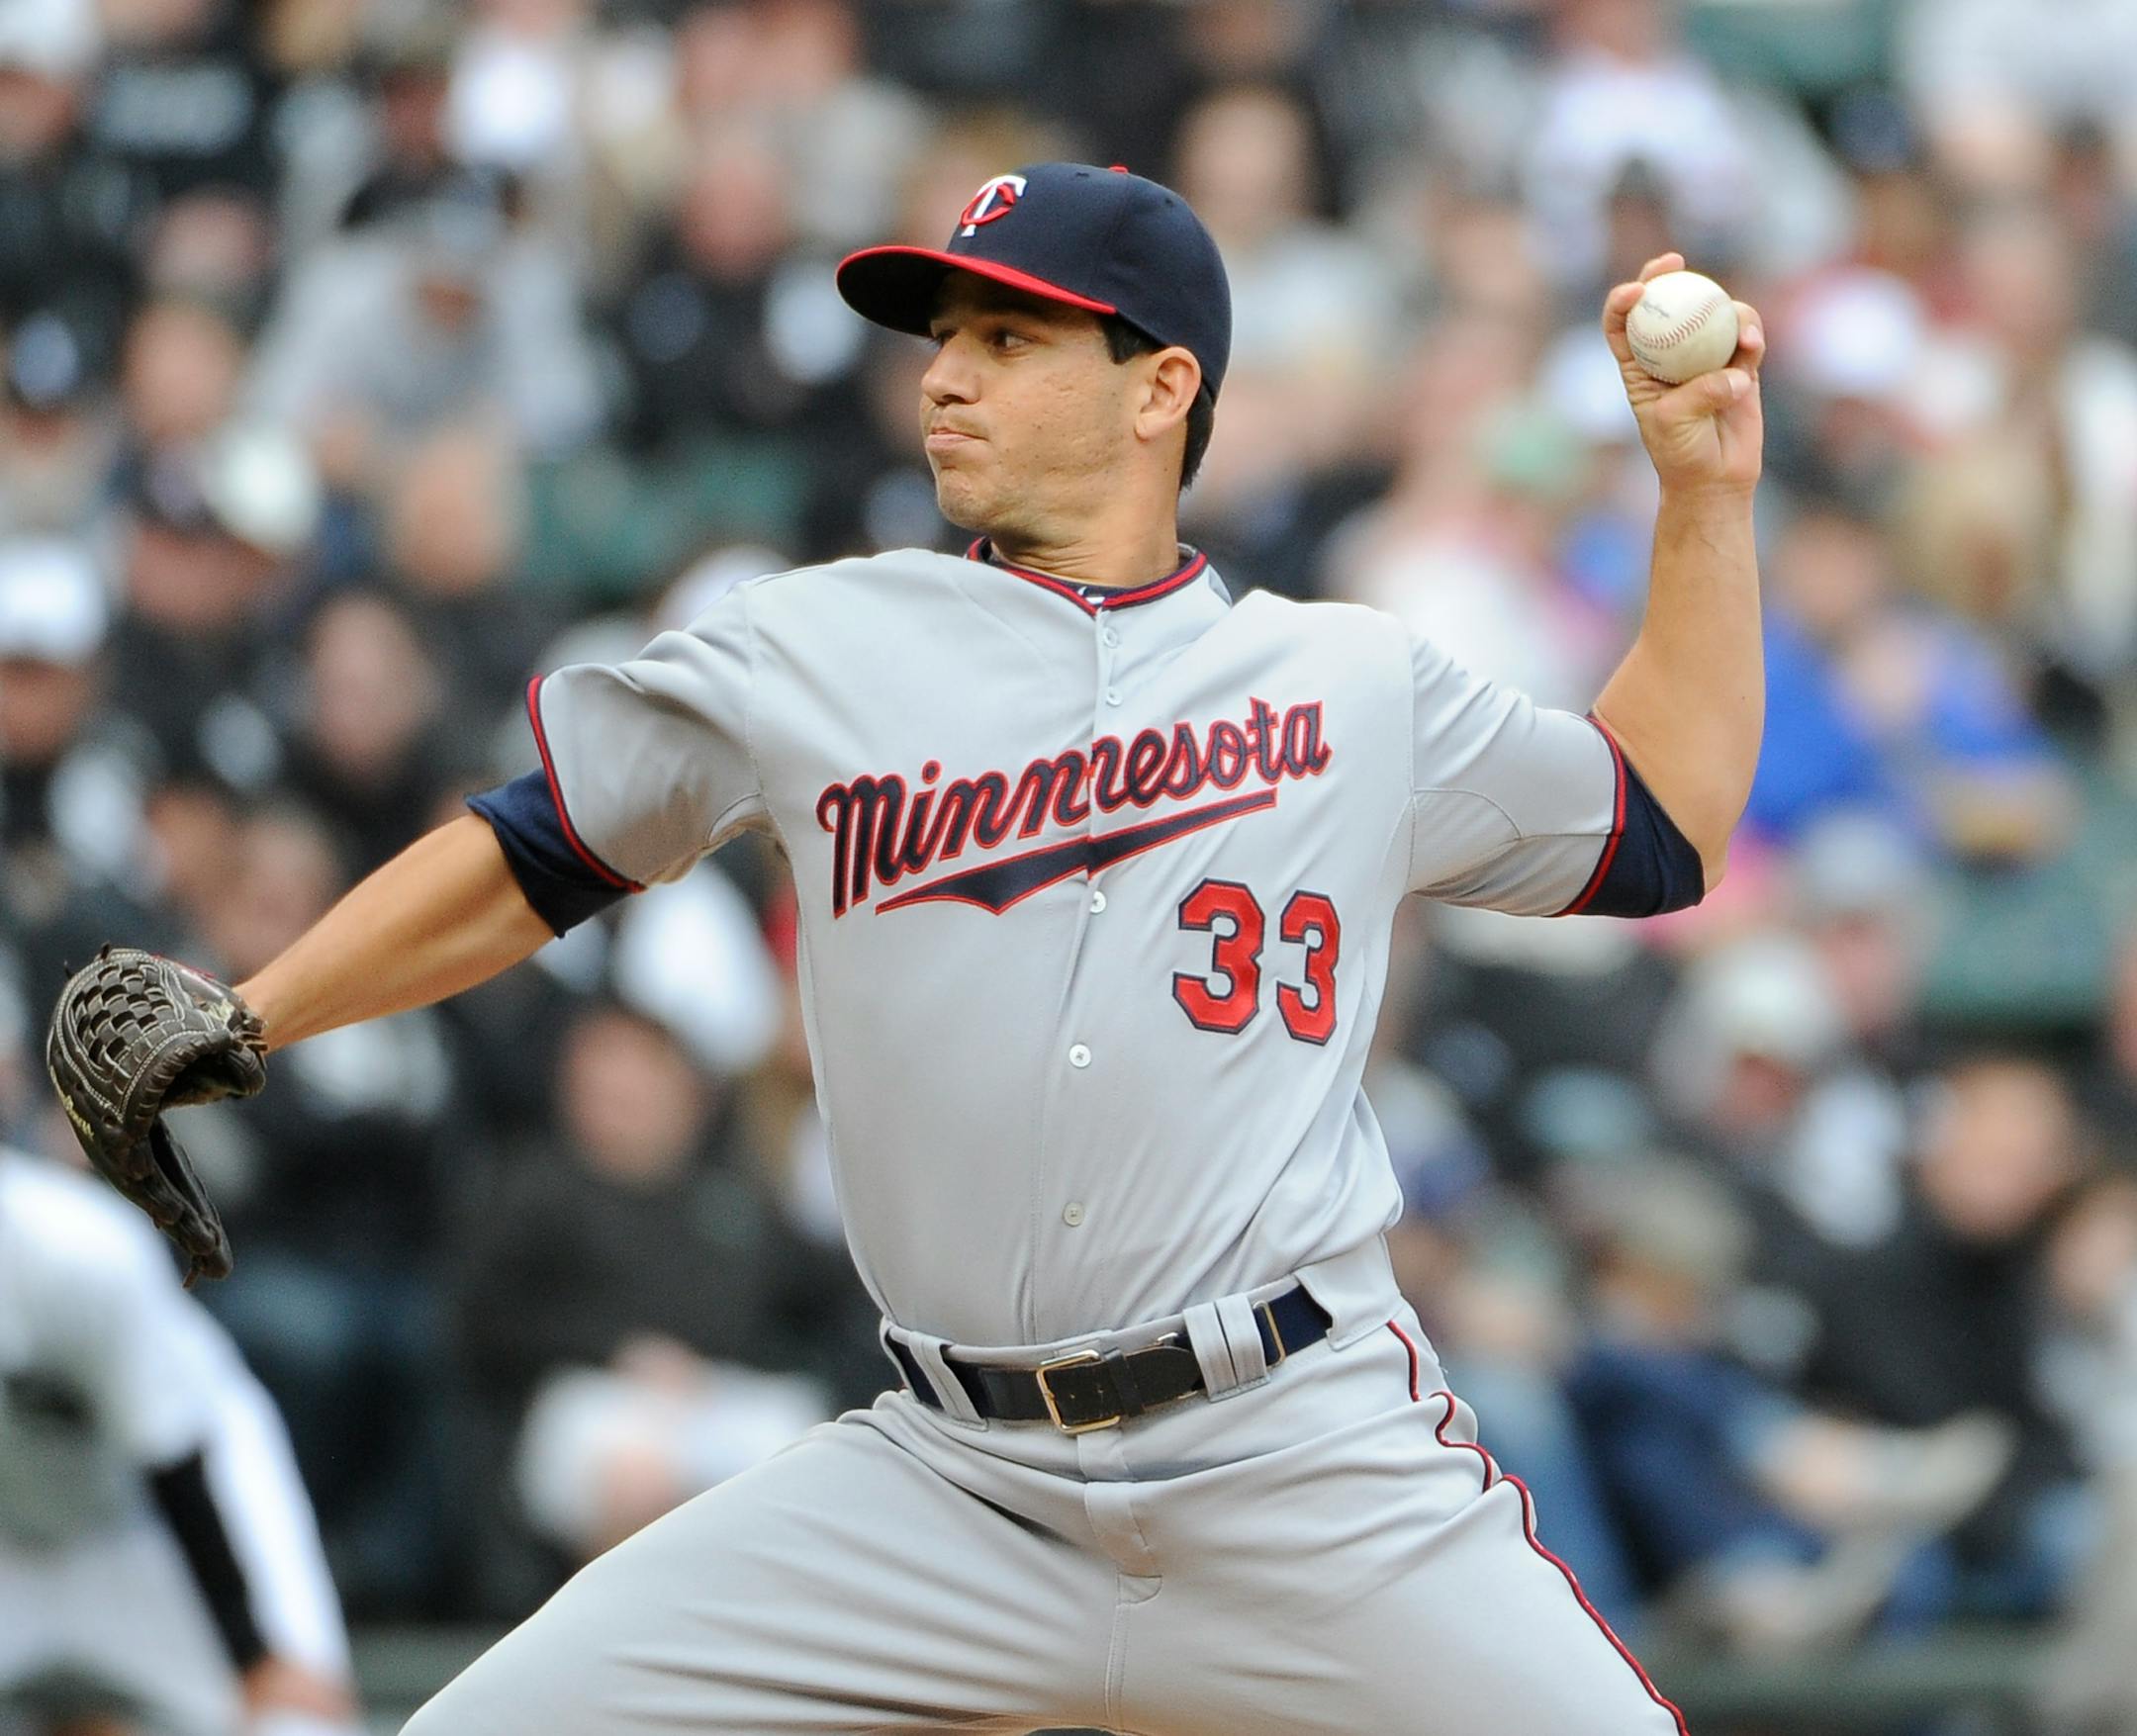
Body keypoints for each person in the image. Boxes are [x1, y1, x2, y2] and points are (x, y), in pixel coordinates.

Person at [67, 162, 1765, 1732]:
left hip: (1302, 1458)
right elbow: (536, 848)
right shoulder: (818, 644)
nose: (946, 373)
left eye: (1010, 337)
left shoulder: (1353, 685)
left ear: (1162, 386)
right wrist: (260, 1009)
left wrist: (1701, 496)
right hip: (950, 1484)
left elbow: (1658, 820)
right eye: (941, 336)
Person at [0, 1149, 362, 1736]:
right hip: (13, 1531)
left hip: (156, 1519)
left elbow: (173, 1458)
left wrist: (252, 1657)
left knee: (297, 1724)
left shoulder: (79, 1250)